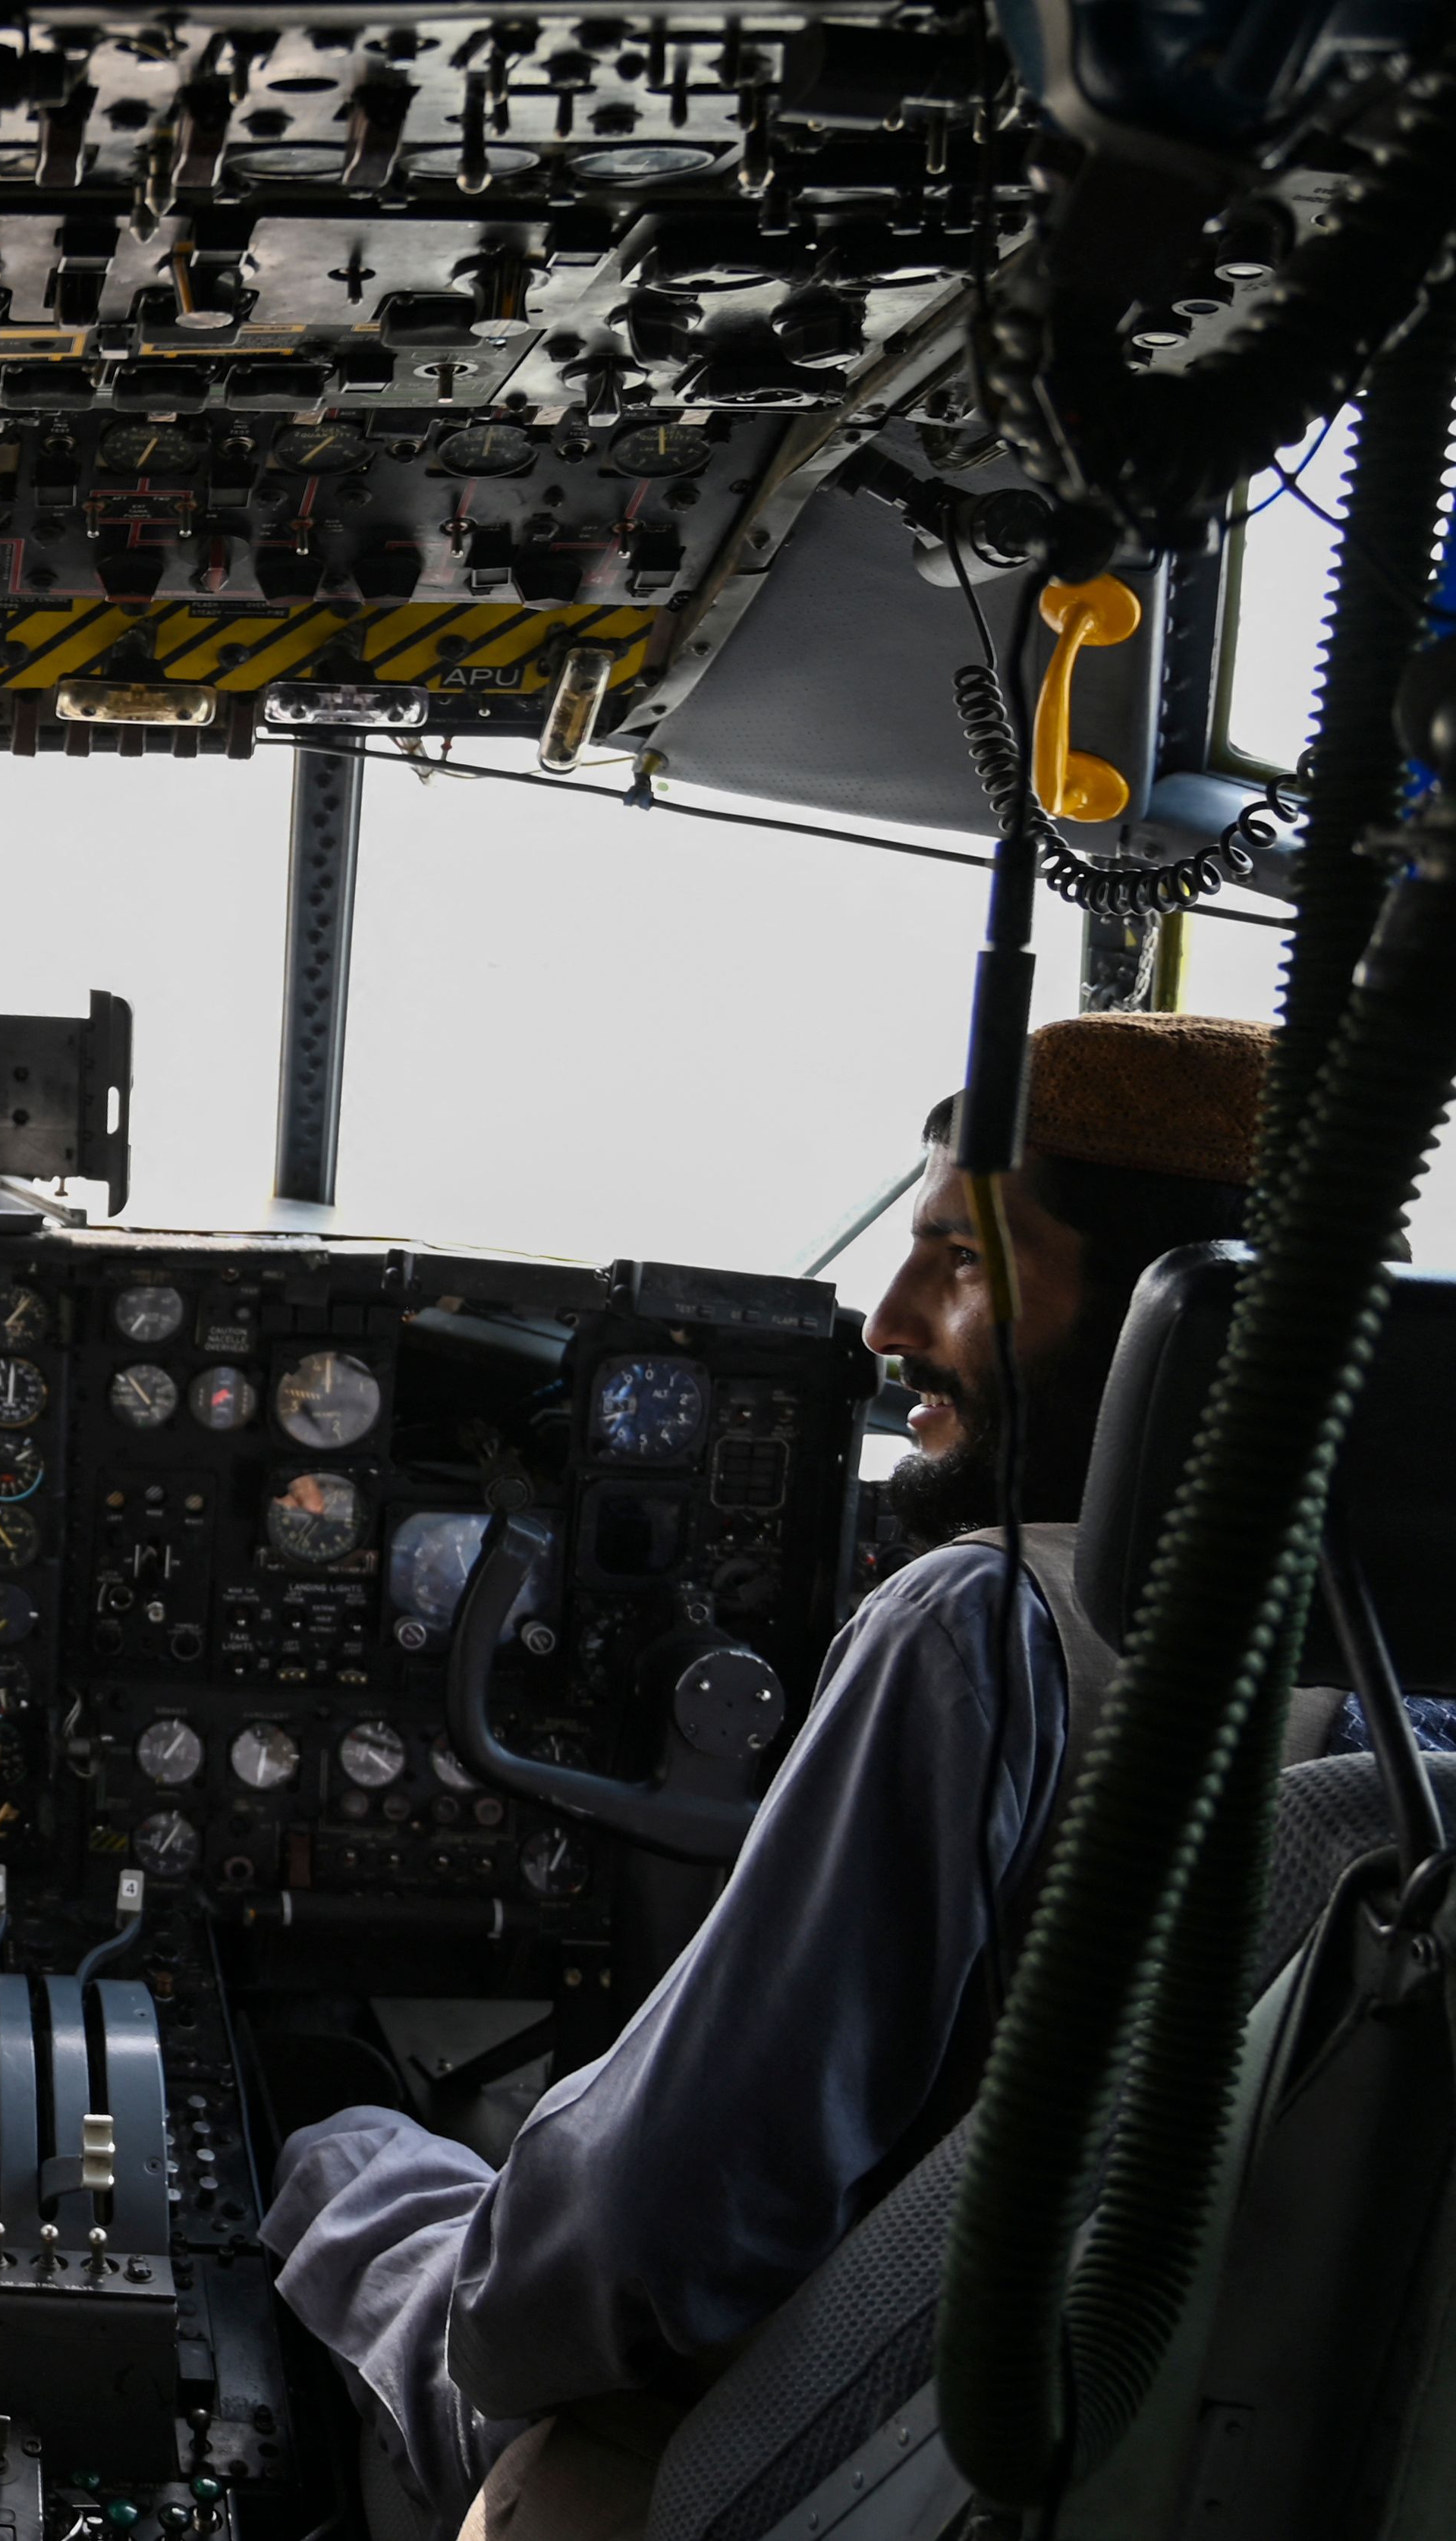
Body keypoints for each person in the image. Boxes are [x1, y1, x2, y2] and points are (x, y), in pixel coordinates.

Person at [263, 1011, 1272, 2540]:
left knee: (331, 2141)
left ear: (1161, 1320)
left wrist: (459, 2251)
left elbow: (652, 2228)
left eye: (964, 1258)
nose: (884, 1318)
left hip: (782, 2456)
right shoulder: (1399, 1703)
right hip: (1067, 2451)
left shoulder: (984, 1626)